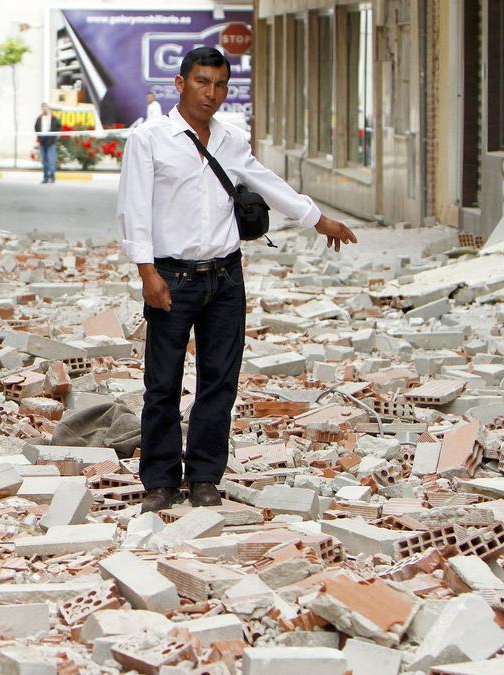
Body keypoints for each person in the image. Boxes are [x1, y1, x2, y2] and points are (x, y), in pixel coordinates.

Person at [115, 47, 356, 513]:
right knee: (162, 383)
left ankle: (205, 476)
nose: (212, 93)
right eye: (202, 82)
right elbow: (133, 209)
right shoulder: (149, 139)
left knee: (219, 381)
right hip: (171, 278)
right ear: (180, 84)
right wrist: (147, 272)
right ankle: (160, 481)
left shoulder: (230, 139)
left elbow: (267, 183)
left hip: (225, 278)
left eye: (220, 85)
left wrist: (318, 219)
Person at [34, 103, 62, 183]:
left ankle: (52, 176)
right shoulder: (39, 119)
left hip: (51, 142)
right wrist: (39, 137)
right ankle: (45, 177)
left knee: (51, 160)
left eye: (45, 108)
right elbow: (36, 128)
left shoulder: (53, 118)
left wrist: (54, 136)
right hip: (42, 142)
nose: (44, 109)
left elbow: (59, 127)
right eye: (42, 108)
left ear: (48, 108)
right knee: (44, 161)